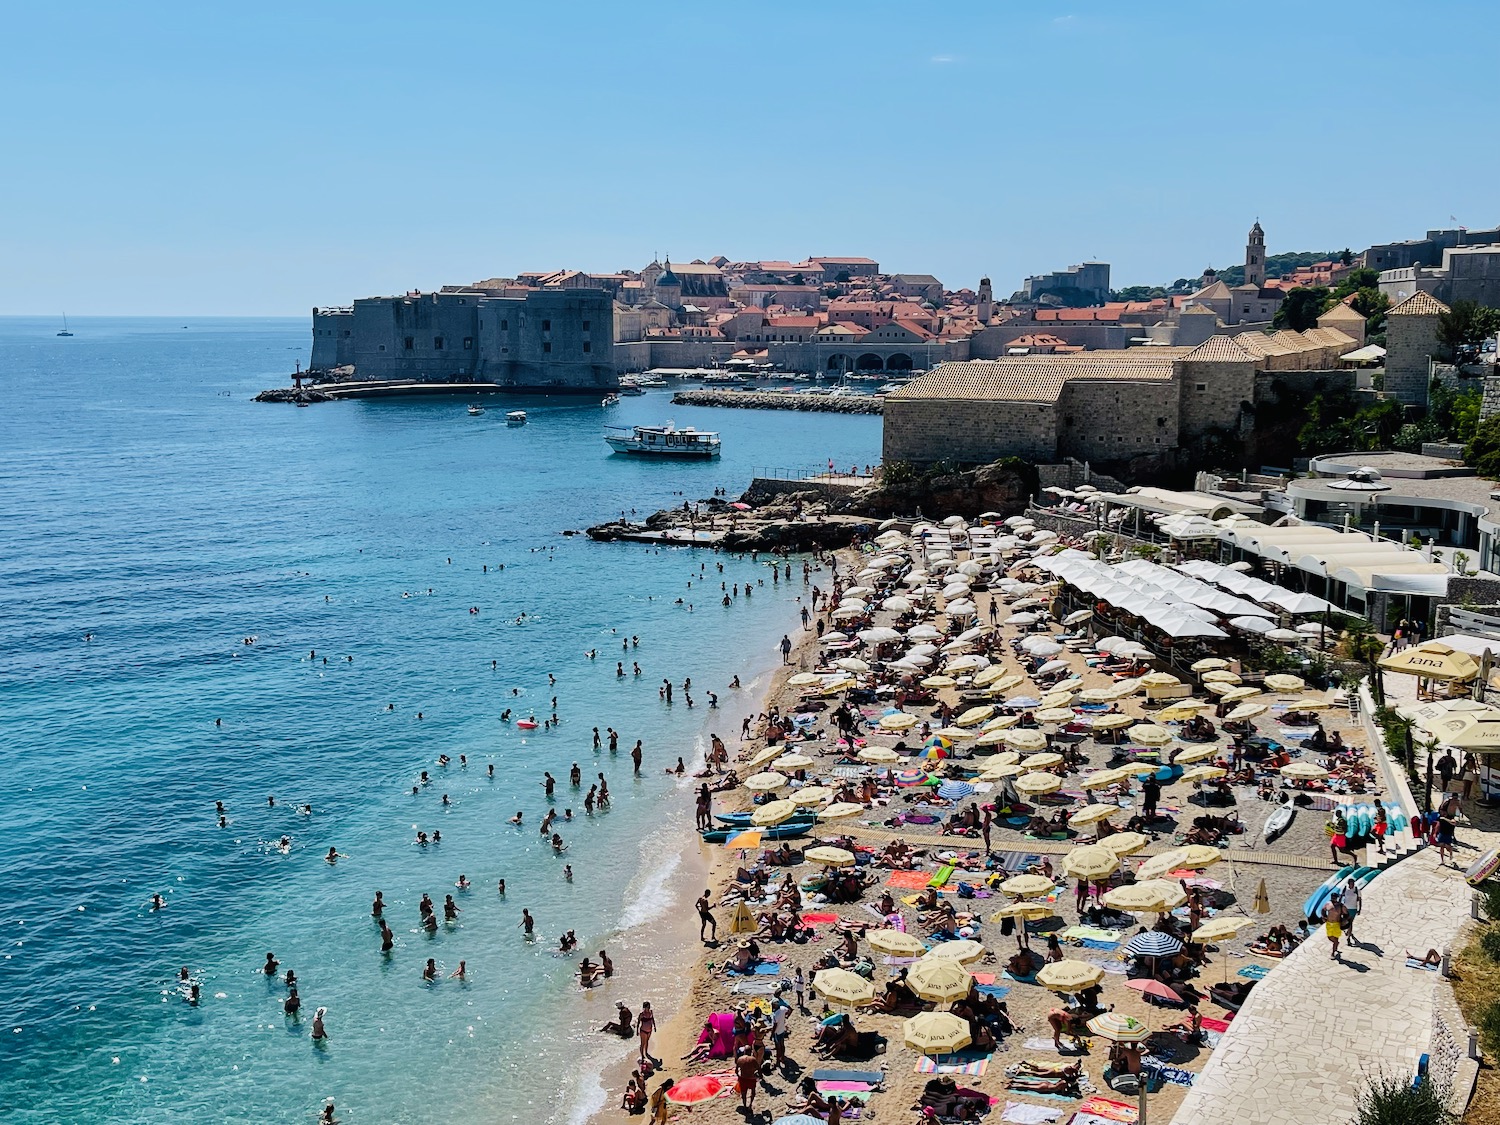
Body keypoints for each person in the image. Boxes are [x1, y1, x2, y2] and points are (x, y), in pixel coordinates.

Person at [1338, 876, 1363, 943]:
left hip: (1353, 908)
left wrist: (1359, 909)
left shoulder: (1357, 890)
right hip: (1345, 908)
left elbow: (1360, 900)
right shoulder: (1345, 889)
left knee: (1350, 923)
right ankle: (1347, 931)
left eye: (1352, 884)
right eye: (1350, 884)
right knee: (1344, 922)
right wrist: (1339, 906)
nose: (1351, 885)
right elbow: (1340, 897)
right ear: (1348, 884)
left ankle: (1348, 937)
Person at [735, 1046, 759, 1111]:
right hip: (751, 1078)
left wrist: (739, 1076)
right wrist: (760, 1076)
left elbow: (736, 1071)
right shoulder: (753, 1059)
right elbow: (758, 1069)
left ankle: (745, 1105)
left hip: (743, 1078)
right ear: (750, 1052)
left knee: (743, 1093)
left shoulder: (740, 1059)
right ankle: (750, 1105)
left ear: (744, 1051)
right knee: (753, 1092)